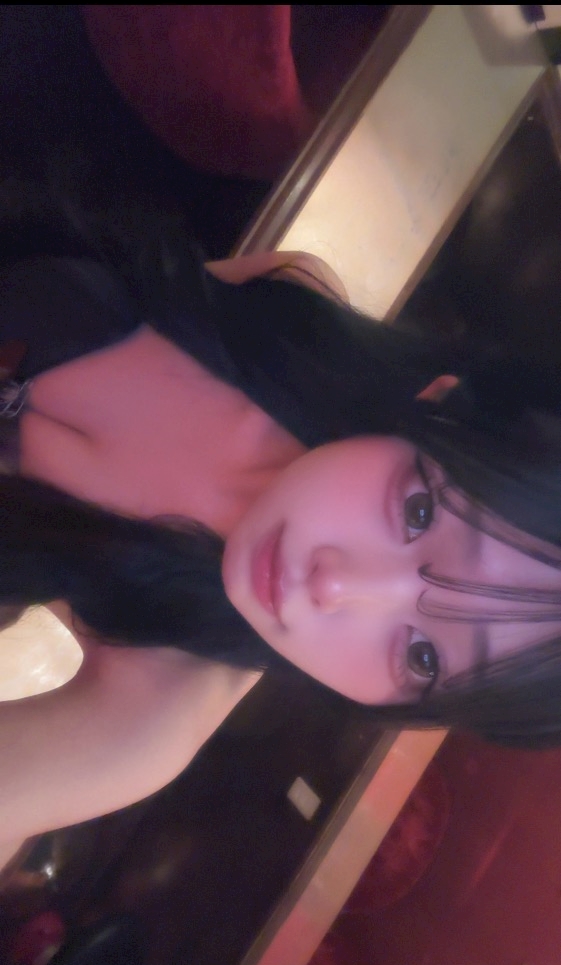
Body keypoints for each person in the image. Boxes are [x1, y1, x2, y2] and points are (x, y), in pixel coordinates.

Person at [1, 179, 561, 852]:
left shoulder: (145, 720)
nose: (336, 586)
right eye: (417, 514)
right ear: (440, 403)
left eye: (421, 656)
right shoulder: (289, 305)